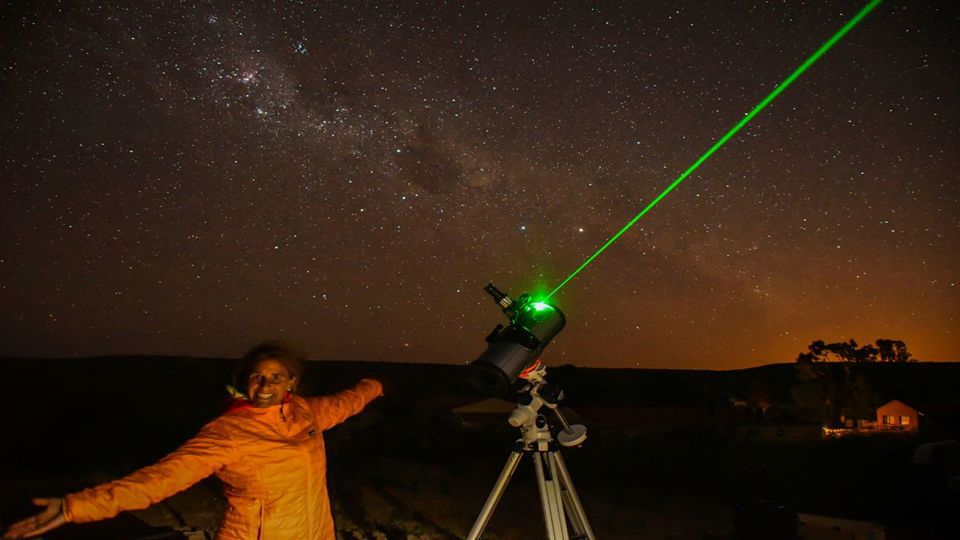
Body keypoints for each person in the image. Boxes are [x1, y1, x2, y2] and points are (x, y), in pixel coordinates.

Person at [3, 340, 383, 540]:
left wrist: (375, 386)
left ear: (291, 383)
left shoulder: (303, 412)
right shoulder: (228, 432)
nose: (265, 385)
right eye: (256, 377)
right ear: (243, 380)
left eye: (275, 377)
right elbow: (162, 477)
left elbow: (344, 403)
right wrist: (77, 506)